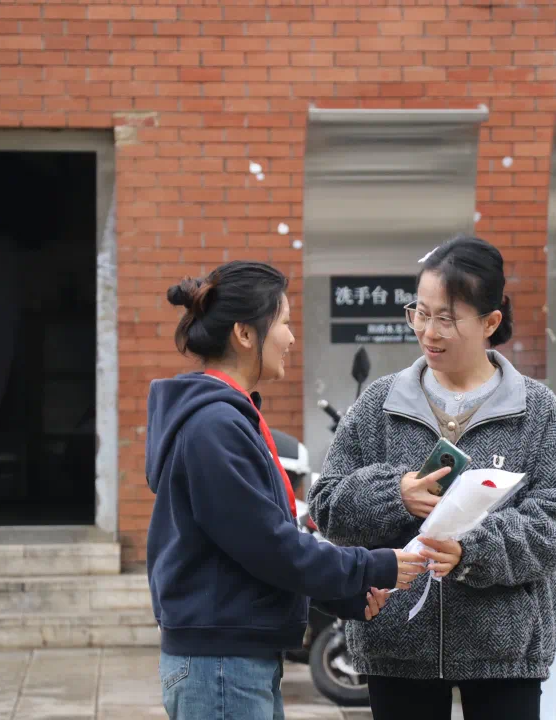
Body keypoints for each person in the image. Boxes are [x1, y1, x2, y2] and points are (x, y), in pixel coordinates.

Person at [307, 235, 556, 720]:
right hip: (397, 645)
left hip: (504, 654)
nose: (428, 331)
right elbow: (327, 506)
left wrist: (470, 548)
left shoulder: (538, 412)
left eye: (446, 318)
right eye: (420, 312)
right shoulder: (379, 405)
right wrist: (395, 495)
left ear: (490, 322)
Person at [145, 260, 426, 720]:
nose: (292, 338)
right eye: (284, 323)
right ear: (244, 333)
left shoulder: (227, 418)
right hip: (222, 668)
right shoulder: (214, 426)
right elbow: (269, 547)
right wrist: (375, 565)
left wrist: (347, 594)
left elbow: (256, 551)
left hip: (233, 662)